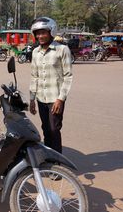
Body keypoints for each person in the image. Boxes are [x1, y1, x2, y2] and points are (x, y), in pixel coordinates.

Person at [29, 17, 73, 154]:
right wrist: (32, 99)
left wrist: (61, 99)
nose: (40, 36)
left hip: (56, 98)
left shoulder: (62, 50)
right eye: (38, 33)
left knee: (54, 129)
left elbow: (68, 76)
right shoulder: (35, 52)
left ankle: (57, 161)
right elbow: (34, 76)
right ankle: (48, 157)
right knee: (46, 128)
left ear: (51, 32)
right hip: (41, 98)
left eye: (43, 32)